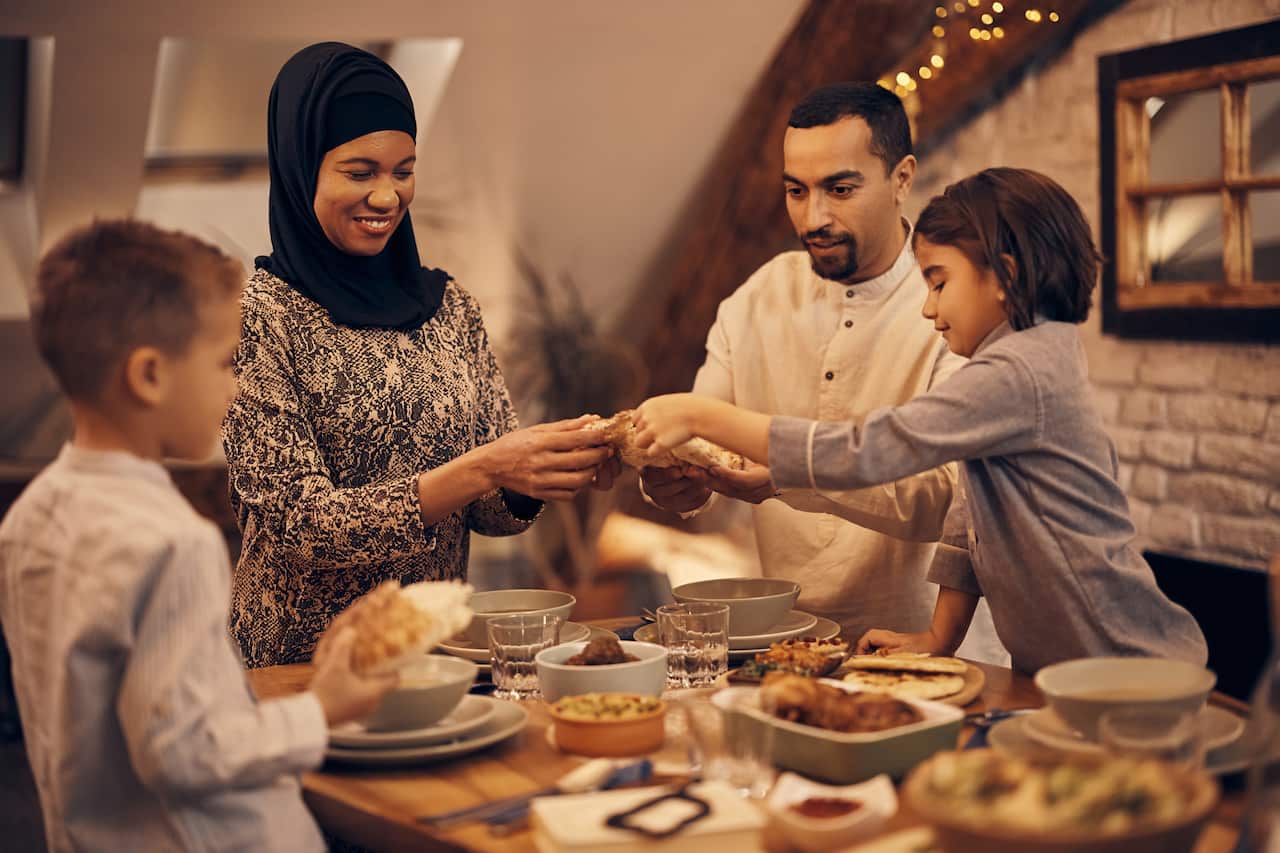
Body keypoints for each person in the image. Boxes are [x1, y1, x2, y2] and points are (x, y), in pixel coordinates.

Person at [633, 167, 1209, 673]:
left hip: (1125, 664)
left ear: (1004, 277)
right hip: (1055, 669)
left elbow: (872, 448)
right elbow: (968, 518)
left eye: (937, 282)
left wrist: (701, 414)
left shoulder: (1019, 370)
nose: (929, 307)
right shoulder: (1016, 362)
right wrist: (940, 637)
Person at [0, 220, 397, 852]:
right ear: (149, 376)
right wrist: (323, 708)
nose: (237, 386)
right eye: (226, 362)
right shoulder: (174, 543)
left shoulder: (29, 520)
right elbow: (185, 751)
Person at [224, 42, 614, 667]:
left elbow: (491, 509)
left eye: (403, 170)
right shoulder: (257, 316)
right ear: (301, 169)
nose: (386, 197)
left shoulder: (450, 307)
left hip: (433, 658)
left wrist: (537, 472)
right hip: (302, 669)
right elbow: (301, 525)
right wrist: (485, 468)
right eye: (359, 172)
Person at [641, 82, 984, 646]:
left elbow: (950, 504)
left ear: (902, 178)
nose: (813, 217)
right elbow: (703, 436)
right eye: (796, 191)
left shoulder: (953, 305)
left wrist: (793, 476)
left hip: (929, 647)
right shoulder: (757, 297)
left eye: (840, 188)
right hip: (783, 642)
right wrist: (677, 481)